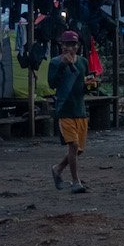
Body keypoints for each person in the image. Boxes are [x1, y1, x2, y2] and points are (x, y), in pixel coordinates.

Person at [48, 30, 94, 194]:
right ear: (62, 46)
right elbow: (52, 83)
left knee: (78, 150)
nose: (70, 47)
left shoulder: (82, 62)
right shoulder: (55, 62)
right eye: (67, 44)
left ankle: (58, 168)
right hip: (64, 109)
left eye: (73, 44)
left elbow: (85, 84)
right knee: (73, 145)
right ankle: (76, 181)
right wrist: (63, 65)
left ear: (78, 46)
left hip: (79, 109)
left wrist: (92, 84)